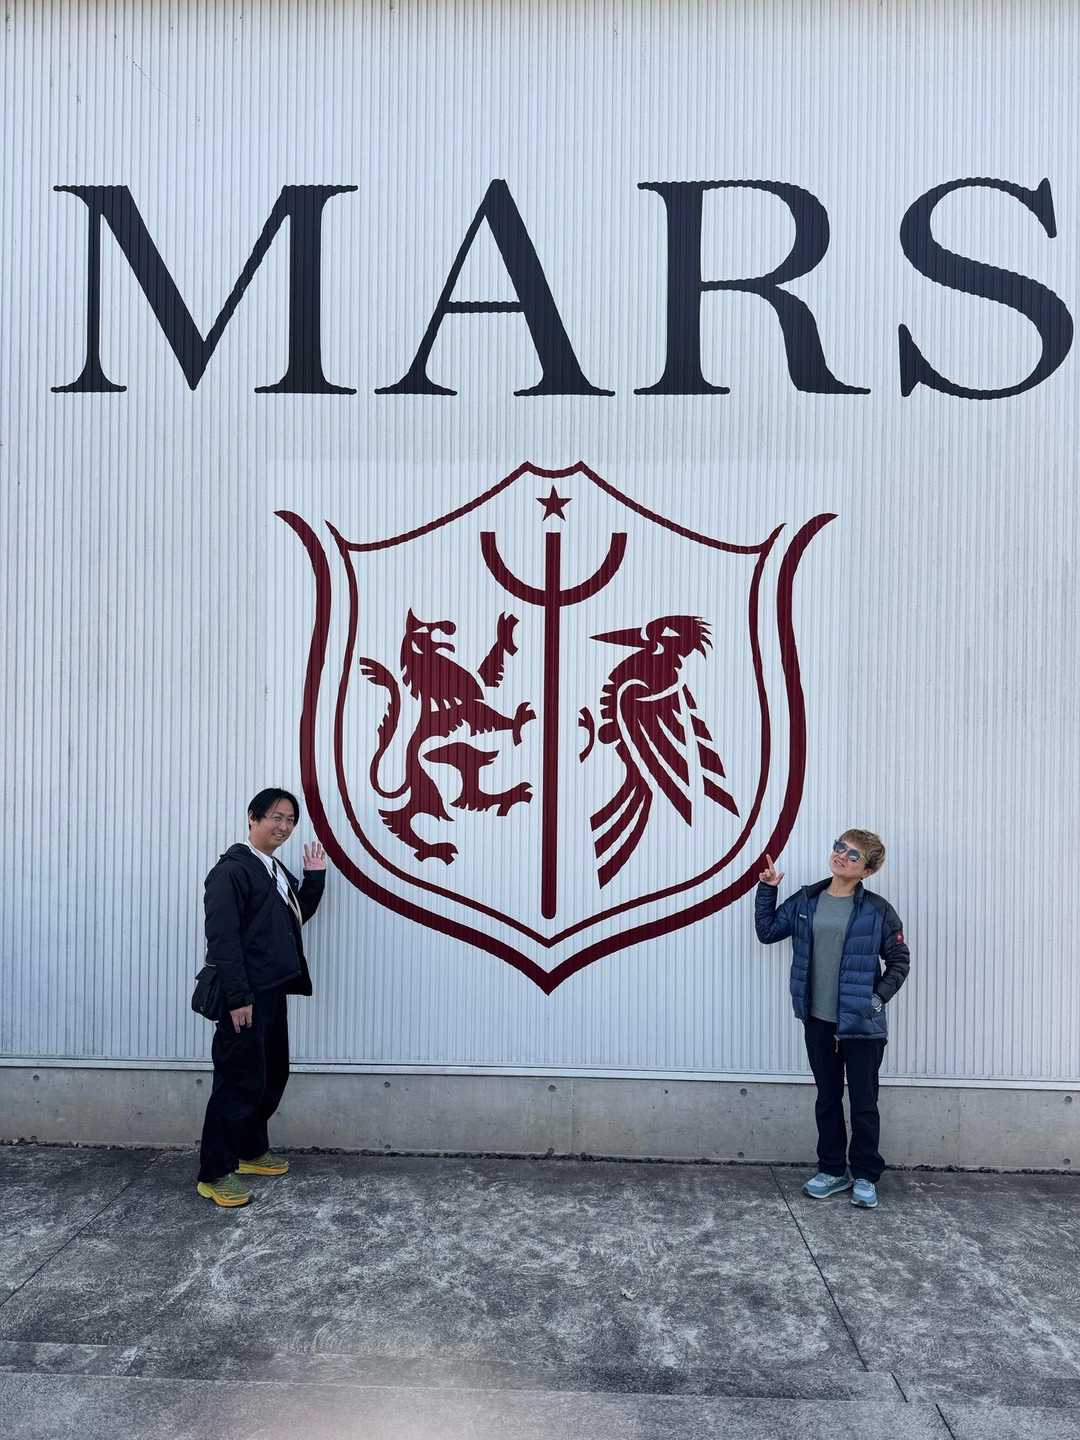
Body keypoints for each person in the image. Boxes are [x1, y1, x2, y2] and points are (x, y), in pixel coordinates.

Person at [755, 830, 909, 1209]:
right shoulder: (807, 900)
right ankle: (832, 1169)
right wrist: (768, 889)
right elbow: (767, 932)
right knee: (827, 1098)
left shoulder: (877, 910)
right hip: (818, 1020)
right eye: (840, 847)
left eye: (853, 855)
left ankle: (866, 1175)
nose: (842, 856)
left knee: (863, 1102)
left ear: (866, 871)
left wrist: (876, 1000)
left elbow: (899, 961)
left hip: (862, 1025)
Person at [196, 788, 328, 1207]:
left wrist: (314, 878)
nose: (283, 826)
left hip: (271, 990)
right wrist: (238, 997)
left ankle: (251, 1151)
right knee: (238, 1081)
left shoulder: (272, 869)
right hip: (245, 996)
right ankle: (215, 1173)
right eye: (275, 817)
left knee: (271, 1075)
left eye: (290, 820)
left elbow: (293, 917)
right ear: (252, 818)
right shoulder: (231, 871)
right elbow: (222, 939)